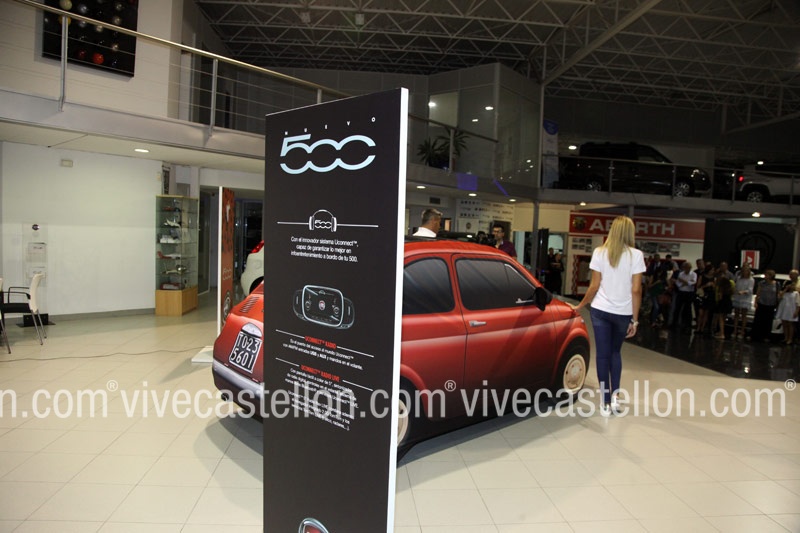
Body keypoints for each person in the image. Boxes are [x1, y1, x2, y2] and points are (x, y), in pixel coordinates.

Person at [573, 216, 645, 415]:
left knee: (602, 355)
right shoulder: (636, 255)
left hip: (600, 311)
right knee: (615, 352)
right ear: (630, 232)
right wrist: (635, 320)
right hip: (623, 313)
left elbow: (594, 286)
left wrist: (581, 304)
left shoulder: (599, 252)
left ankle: (604, 402)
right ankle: (615, 398)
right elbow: (636, 290)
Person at [751, 269, 778, 342]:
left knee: (768, 321)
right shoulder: (762, 283)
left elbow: (777, 294)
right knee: (758, 320)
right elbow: (758, 293)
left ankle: (766, 336)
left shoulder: (776, 284)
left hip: (771, 304)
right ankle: (756, 335)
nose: (765, 276)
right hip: (761, 303)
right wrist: (756, 302)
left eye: (767, 275)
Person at [671, 261, 697, 330]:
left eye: (688, 268)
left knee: (688, 309)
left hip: (689, 293)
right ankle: (674, 324)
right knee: (677, 308)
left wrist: (683, 281)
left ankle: (688, 325)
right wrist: (687, 283)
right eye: (685, 268)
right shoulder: (681, 274)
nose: (687, 269)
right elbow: (678, 283)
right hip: (681, 292)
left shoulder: (694, 274)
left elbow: (693, 283)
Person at [731, 264, 754, 340]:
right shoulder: (739, 278)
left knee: (744, 315)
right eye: (743, 271)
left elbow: (750, 290)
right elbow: (735, 286)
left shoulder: (751, 280)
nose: (744, 272)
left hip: (745, 299)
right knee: (736, 314)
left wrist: (743, 292)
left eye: (746, 271)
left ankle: (742, 331)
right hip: (737, 297)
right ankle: (734, 330)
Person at [712, 271, 734, 339]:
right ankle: (721, 331)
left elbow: (720, 296)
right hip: (728, 302)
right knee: (724, 318)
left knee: (721, 318)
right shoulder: (730, 284)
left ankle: (722, 333)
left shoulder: (721, 286)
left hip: (722, 302)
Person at [694, 263, 716, 334]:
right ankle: (698, 327)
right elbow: (698, 286)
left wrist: (713, 285)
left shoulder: (714, 278)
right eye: (712, 270)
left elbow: (715, 288)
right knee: (701, 313)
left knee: (706, 312)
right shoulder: (702, 276)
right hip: (702, 294)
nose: (713, 271)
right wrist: (706, 285)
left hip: (710, 295)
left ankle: (702, 328)